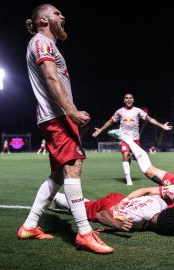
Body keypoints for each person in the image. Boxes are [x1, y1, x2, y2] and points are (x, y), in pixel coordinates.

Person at [19, 4, 113, 254]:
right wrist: (70, 111)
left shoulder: (45, 44)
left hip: (53, 116)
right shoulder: (42, 42)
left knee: (59, 175)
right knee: (73, 167)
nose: (63, 16)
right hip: (57, 116)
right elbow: (50, 77)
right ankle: (84, 233)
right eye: (57, 13)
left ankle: (29, 226)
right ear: (42, 20)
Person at [92, 93, 172, 185]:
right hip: (124, 137)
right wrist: (100, 130)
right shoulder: (119, 111)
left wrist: (161, 125)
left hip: (135, 139)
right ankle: (128, 179)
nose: (129, 99)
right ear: (124, 100)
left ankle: (132, 156)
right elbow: (110, 121)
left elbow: (149, 119)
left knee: (137, 158)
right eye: (127, 98)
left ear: (133, 100)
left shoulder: (138, 111)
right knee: (125, 154)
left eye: (130, 98)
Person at [53, 192, 174, 235]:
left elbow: (150, 194)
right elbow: (101, 215)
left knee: (89, 203)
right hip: (109, 207)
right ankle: (55, 196)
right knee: (79, 208)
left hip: (120, 198)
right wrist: (116, 224)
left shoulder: (161, 203)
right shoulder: (135, 220)